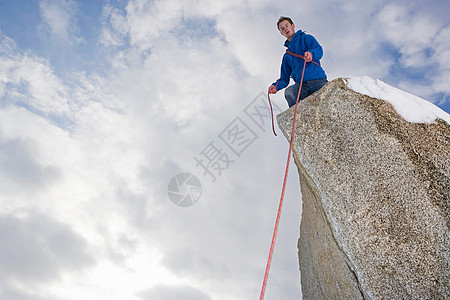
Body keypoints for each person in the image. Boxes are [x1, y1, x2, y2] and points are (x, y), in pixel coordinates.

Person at [268, 16, 328, 107]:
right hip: (301, 87)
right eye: (282, 29)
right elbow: (284, 78)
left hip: (318, 81)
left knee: (328, 99)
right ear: (281, 33)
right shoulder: (287, 56)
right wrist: (276, 86)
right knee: (290, 92)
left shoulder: (307, 38)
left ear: (293, 25)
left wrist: (311, 54)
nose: (285, 29)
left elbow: (319, 50)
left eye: (287, 25)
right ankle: (299, 119)